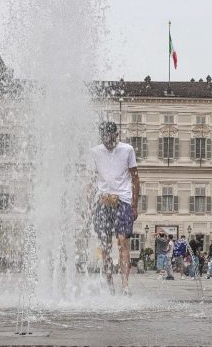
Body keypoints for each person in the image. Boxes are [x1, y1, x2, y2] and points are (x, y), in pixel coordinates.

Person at [91, 121, 140, 295]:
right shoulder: (95, 152)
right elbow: (92, 180)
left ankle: (125, 284)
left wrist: (134, 205)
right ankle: (109, 284)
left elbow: (135, 178)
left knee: (122, 242)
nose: (107, 141)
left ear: (116, 135)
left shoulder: (127, 150)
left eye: (110, 138)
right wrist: (90, 204)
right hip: (103, 201)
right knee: (104, 245)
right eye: (104, 138)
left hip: (123, 200)